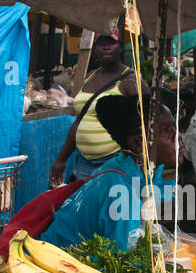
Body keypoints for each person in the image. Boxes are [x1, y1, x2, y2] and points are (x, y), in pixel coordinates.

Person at [42, 95, 178, 253]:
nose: (177, 135)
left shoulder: (132, 169)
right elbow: (123, 260)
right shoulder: (121, 191)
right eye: (166, 130)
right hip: (53, 265)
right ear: (137, 143)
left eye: (174, 127)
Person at [49, 34, 139, 187]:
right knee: (87, 207)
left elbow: (144, 121)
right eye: (101, 43)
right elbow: (79, 120)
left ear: (120, 47)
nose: (106, 47)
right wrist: (61, 160)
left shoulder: (130, 80)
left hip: (115, 161)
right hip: (85, 162)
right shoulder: (90, 77)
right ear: (95, 48)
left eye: (111, 42)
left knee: (110, 208)